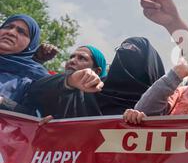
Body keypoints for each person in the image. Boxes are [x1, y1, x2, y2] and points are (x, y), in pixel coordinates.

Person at [25, 37, 165, 119]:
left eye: (133, 50)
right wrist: (70, 81)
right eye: (121, 49)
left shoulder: (162, 105)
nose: (73, 61)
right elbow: (34, 91)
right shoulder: (87, 94)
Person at [0, 14, 49, 112]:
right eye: (8, 27)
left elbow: (36, 117)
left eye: (21, 32)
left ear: (30, 44)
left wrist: (3, 102)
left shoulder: (36, 77)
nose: (11, 32)